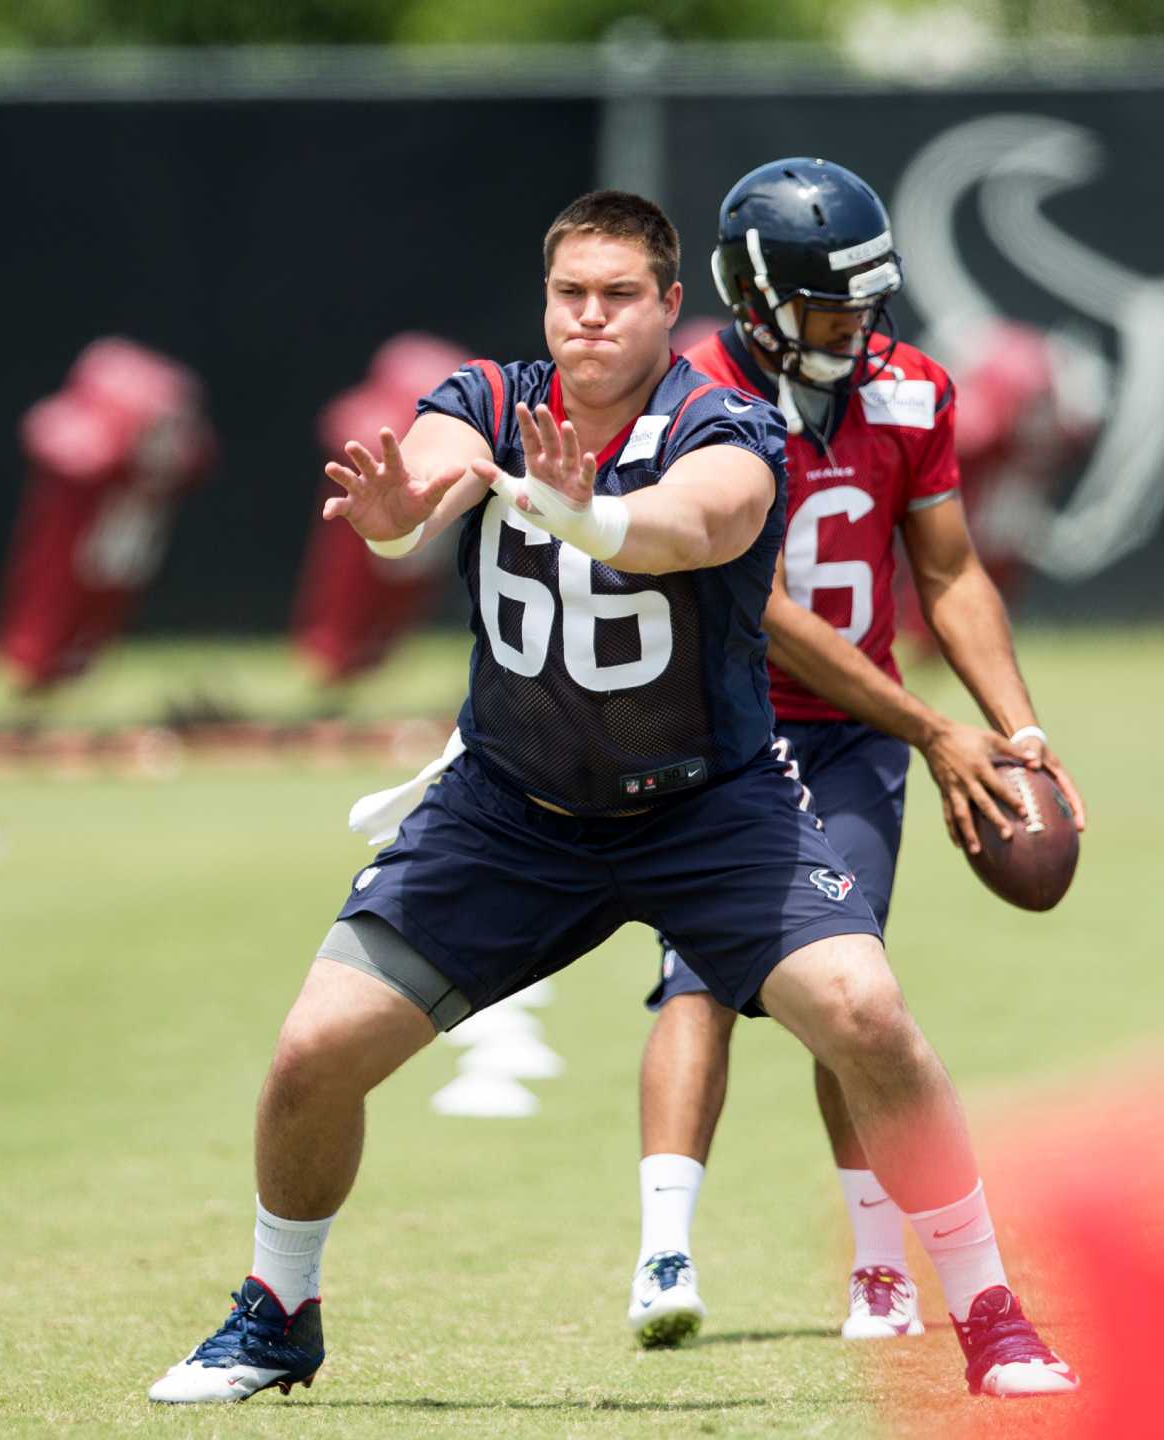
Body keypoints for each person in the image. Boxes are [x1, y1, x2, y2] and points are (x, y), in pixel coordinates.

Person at [146, 190, 1075, 1404]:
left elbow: (689, 528)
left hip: (707, 809)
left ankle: (989, 1313)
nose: (590, 319)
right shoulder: (488, 396)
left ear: (666, 307)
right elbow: (432, 468)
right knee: (311, 1055)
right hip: (510, 810)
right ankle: (276, 1314)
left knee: (866, 1018)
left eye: (618, 296)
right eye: (569, 295)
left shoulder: (725, 424)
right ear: (545, 303)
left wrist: (581, 511)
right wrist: (393, 523)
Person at [627, 158, 1086, 1347]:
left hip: (847, 738)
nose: (855, 321)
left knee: (850, 982)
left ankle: (875, 1267)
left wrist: (1014, 732)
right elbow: (765, 604)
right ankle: (662, 1251)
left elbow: (947, 572)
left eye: (864, 296)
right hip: (717, 725)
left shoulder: (908, 391)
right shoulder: (688, 399)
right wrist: (934, 728)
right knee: (697, 979)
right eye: (828, 300)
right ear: (755, 297)